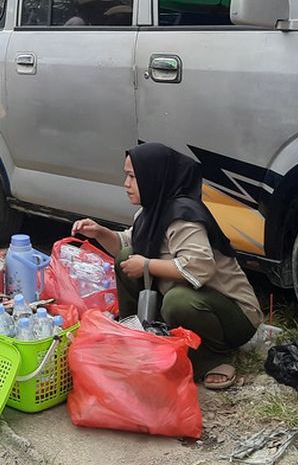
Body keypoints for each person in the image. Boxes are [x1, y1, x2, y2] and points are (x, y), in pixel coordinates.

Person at [72, 143, 261, 389]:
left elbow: (200, 269)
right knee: (127, 258)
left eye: (132, 176)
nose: (125, 184)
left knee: (177, 300)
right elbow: (126, 244)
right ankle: (135, 334)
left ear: (153, 177)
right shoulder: (150, 211)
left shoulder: (183, 217)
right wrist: (99, 232)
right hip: (201, 302)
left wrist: (148, 265)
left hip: (234, 317)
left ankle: (214, 357)